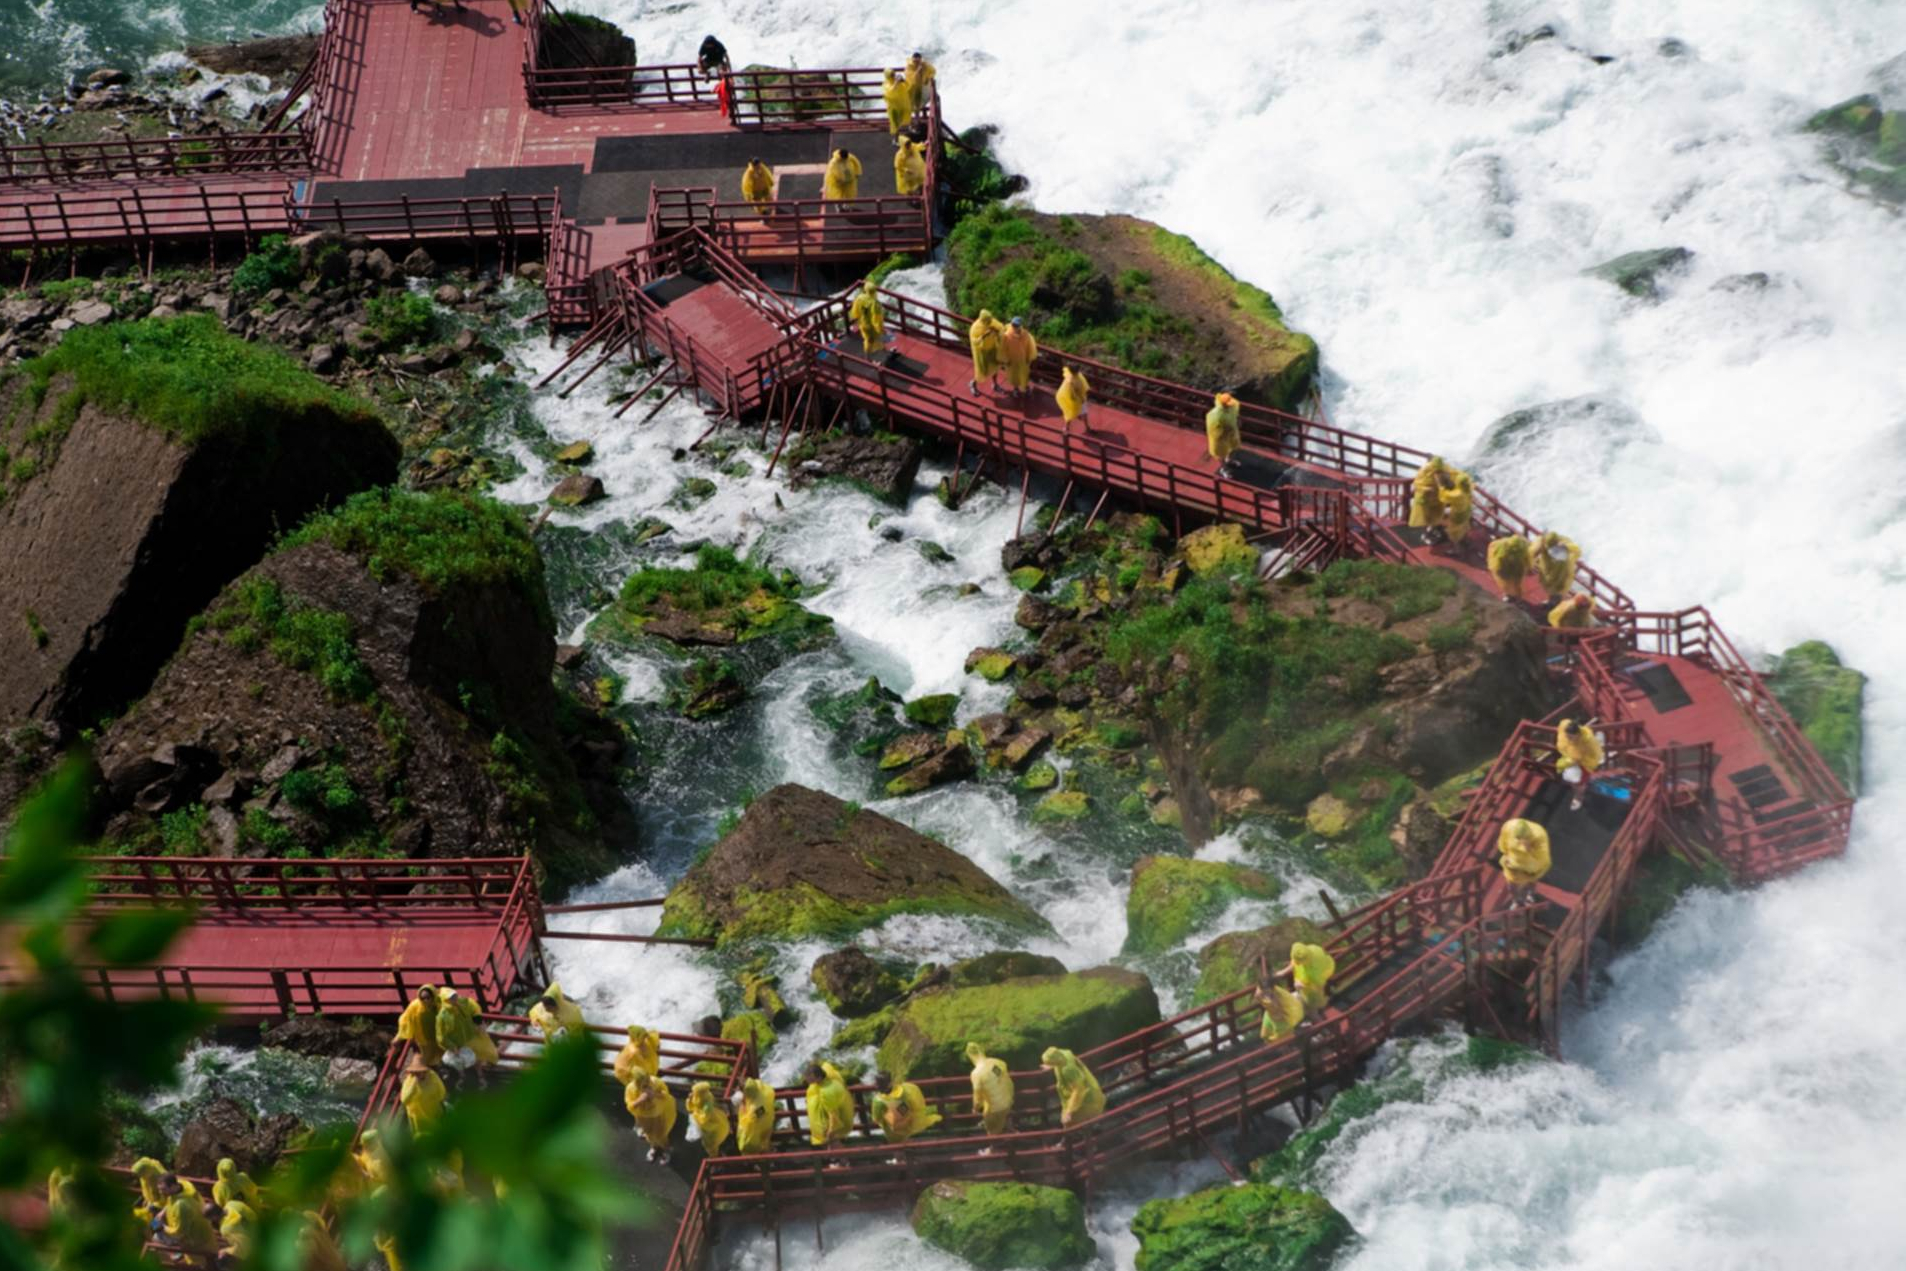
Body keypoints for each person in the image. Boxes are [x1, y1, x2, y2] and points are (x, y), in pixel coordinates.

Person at [435, 987, 500, 1084]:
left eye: (454, 995)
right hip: (459, 1044)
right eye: (451, 997)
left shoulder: (464, 1002)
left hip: (473, 1036)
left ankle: (480, 1076)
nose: (455, 998)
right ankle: (464, 1078)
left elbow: (474, 1008)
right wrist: (452, 1046)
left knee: (481, 1055)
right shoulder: (442, 1016)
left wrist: (478, 1022)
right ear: (445, 1000)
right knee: (461, 1063)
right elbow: (441, 1036)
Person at [156, 1173, 218, 1265]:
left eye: (163, 1189)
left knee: (156, 1236)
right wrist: (163, 1211)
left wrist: (163, 1227)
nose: (161, 1192)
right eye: (159, 1189)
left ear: (173, 1186)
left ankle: (174, 1254)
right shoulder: (183, 1187)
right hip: (203, 1234)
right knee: (154, 1225)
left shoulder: (181, 1206)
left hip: (196, 1242)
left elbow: (179, 1232)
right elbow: (172, 1201)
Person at [870, 1070, 941, 1147]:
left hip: (893, 1133)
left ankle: (900, 1157)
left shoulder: (878, 1101)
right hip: (910, 1125)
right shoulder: (905, 1091)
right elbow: (916, 1105)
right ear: (891, 1081)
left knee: (896, 1146)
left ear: (877, 1086)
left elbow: (876, 1119)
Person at [1040, 1047, 1105, 1127]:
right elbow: (1062, 1062)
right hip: (1091, 1095)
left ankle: (1083, 1136)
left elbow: (1079, 1090)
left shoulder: (1068, 1070)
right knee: (1069, 1123)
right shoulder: (1065, 1054)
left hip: (1086, 1102)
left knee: (1068, 1123)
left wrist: (1069, 1111)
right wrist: (1052, 1066)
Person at [624, 1070, 679, 1164]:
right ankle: (653, 1147)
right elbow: (629, 1105)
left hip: (661, 1114)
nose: (647, 1084)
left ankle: (666, 1149)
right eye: (643, 1084)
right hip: (644, 1117)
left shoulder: (656, 1082)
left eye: (647, 1081)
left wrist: (655, 1094)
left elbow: (666, 1094)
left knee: (661, 1134)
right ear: (636, 1083)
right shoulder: (630, 1089)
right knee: (649, 1133)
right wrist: (640, 1100)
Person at [966, 1042, 1014, 1142]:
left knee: (992, 1131)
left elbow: (977, 1097)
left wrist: (975, 1108)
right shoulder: (993, 1064)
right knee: (1003, 1123)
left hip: (993, 1108)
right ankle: (1010, 1141)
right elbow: (1000, 1076)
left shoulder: (976, 1074)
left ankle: (993, 1150)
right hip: (1007, 1100)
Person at [1497, 817, 1551, 905]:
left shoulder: (1539, 836)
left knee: (1531, 881)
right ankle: (1516, 900)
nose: (1520, 842)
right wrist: (1505, 855)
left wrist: (1533, 871)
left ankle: (1530, 894)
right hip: (1513, 864)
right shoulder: (1509, 826)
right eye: (1518, 839)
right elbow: (1503, 841)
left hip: (1531, 867)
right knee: (1511, 885)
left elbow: (1541, 859)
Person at [1555, 718, 1606, 811]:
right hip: (1569, 759)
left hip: (1583, 763)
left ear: (1578, 735)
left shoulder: (1589, 743)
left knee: (1579, 783)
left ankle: (1578, 797)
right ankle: (1577, 790)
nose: (1568, 738)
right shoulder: (1564, 725)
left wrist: (1585, 764)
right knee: (1572, 779)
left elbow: (1596, 755)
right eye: (1567, 736)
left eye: (1571, 737)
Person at [804, 1061, 856, 1148]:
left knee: (834, 1143)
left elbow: (833, 1114)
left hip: (828, 1124)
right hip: (829, 1121)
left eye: (810, 1078)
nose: (807, 1080)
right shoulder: (829, 1083)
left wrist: (831, 1130)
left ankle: (843, 1161)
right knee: (831, 1145)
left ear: (819, 1077)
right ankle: (836, 1159)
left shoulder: (826, 1091)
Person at [396, 984, 445, 1069]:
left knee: (445, 1056)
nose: (426, 1000)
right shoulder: (415, 1006)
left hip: (441, 1036)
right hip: (425, 1039)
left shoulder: (439, 1004)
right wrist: (398, 1038)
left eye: (428, 997)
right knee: (427, 1059)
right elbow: (405, 1021)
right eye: (423, 998)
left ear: (433, 996)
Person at [399, 1053, 447, 1136]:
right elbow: (404, 1100)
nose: (417, 1074)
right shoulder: (409, 1081)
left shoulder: (433, 1076)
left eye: (419, 1072)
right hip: (417, 1116)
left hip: (433, 1112)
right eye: (415, 1072)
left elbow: (442, 1092)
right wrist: (413, 1086)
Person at [686, 1081, 732, 1157]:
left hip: (712, 1127)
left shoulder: (707, 1106)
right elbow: (691, 1108)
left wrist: (695, 1116)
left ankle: (715, 1157)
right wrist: (689, 1100)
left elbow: (703, 1120)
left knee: (710, 1145)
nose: (692, 1093)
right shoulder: (705, 1096)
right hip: (717, 1120)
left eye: (694, 1092)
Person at [1532, 530, 1581, 601]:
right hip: (1550, 568)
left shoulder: (1565, 544)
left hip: (1562, 570)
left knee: (1560, 587)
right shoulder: (1544, 542)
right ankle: (1552, 600)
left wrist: (1566, 546)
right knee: (1550, 585)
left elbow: (1577, 551)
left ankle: (1557, 601)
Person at [1289, 941, 1336, 1013]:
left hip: (1317, 996)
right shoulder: (1313, 948)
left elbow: (1319, 985)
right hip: (1329, 967)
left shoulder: (1312, 973)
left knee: (1310, 1009)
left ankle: (1320, 1016)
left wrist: (1300, 985)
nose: (1296, 963)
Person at [734, 1076, 777, 1154]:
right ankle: (769, 1153)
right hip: (768, 1119)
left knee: (757, 1145)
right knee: (766, 1140)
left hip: (760, 1127)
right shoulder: (760, 1086)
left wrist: (742, 1105)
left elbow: (747, 1122)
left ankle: (764, 1159)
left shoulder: (757, 1108)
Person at [968, 308, 1005, 395]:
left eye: (990, 320)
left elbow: (1001, 328)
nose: (989, 322)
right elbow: (974, 341)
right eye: (987, 321)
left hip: (992, 348)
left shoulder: (992, 322)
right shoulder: (975, 328)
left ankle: (995, 384)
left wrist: (997, 331)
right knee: (982, 371)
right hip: (982, 352)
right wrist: (983, 336)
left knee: (995, 367)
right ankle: (973, 384)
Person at [998, 316, 1037, 399]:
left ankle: (1026, 387)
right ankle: (1016, 389)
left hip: (1023, 360)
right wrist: (1006, 360)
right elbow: (1003, 349)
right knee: (1014, 376)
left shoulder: (1026, 334)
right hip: (1012, 361)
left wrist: (1029, 357)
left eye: (1016, 325)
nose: (1015, 327)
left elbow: (1030, 346)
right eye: (1013, 325)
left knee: (1024, 374)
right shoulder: (1007, 336)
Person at [1408, 456, 1450, 532]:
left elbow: (1450, 480)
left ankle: (1434, 528)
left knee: (1437, 515)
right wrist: (1427, 489)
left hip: (1438, 497)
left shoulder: (1446, 469)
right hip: (1425, 497)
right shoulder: (1424, 470)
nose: (1438, 473)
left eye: (1440, 471)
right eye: (1436, 471)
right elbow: (1416, 484)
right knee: (1422, 517)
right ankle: (1421, 530)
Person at [1486, 533, 1532, 602]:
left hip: (1509, 568)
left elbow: (1493, 551)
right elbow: (1527, 560)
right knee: (1514, 584)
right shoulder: (1521, 548)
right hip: (1511, 568)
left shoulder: (1502, 545)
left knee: (1507, 584)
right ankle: (1515, 598)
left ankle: (1511, 596)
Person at [1206, 391, 1242, 477]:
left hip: (1232, 432)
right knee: (1220, 453)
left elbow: (1236, 414)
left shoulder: (1233, 406)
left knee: (1233, 446)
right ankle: (1223, 469)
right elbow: (1211, 427)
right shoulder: (1215, 415)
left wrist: (1238, 420)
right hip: (1219, 435)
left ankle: (1229, 459)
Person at [848, 278, 886, 355]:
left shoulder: (860, 297)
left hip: (862, 323)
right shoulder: (875, 303)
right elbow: (876, 319)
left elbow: (855, 310)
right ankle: (868, 359)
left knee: (870, 340)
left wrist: (855, 317)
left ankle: (883, 351)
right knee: (870, 341)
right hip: (871, 327)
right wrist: (881, 329)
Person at [1438, 470, 1475, 549]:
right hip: (1467, 511)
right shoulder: (1469, 489)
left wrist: (1441, 487)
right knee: (1464, 527)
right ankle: (1465, 541)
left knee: (1453, 532)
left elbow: (1444, 497)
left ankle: (1456, 549)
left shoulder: (1458, 494)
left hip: (1458, 515)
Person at [131, 1156, 167, 1220]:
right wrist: (146, 1199)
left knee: (156, 1220)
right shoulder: (145, 1173)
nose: (138, 1177)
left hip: (160, 1205)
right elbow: (146, 1188)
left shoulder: (160, 1179)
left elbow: (165, 1197)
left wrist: (154, 1205)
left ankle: (156, 1228)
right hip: (151, 1201)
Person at [1056, 366, 1091, 430]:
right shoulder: (1072, 380)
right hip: (1078, 398)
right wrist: (1081, 398)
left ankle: (1067, 427)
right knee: (1082, 412)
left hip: (1076, 397)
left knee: (1070, 412)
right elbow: (1073, 393)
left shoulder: (1071, 375)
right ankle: (1087, 427)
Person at [882, 68, 912, 141]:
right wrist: (896, 83)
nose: (893, 76)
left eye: (893, 74)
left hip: (901, 105)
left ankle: (901, 138)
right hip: (893, 108)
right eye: (891, 75)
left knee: (901, 122)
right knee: (895, 124)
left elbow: (908, 87)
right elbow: (890, 93)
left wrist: (904, 81)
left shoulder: (898, 82)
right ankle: (895, 139)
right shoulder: (886, 85)